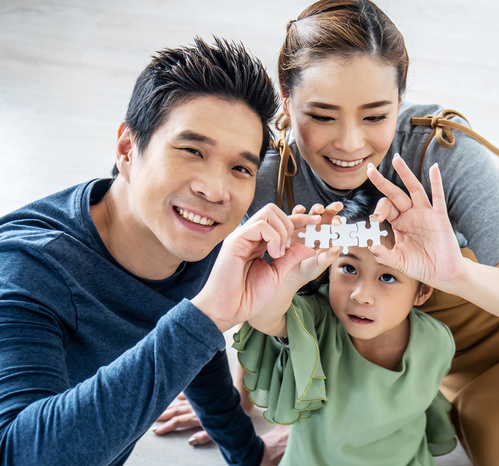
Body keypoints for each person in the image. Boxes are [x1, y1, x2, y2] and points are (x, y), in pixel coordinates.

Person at [161, 1, 499, 465]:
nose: (350, 143)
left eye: (375, 115)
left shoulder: (439, 149)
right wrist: (252, 401)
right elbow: (245, 292)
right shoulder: (263, 180)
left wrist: (452, 271)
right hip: (430, 341)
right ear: (285, 98)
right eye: (321, 115)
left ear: (401, 97)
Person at [0, 36, 320, 466]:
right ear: (128, 150)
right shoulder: (26, 268)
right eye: (192, 151)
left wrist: (248, 453)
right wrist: (206, 316)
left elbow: (187, 330)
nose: (214, 190)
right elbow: (20, 455)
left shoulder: (200, 237)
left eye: (240, 168)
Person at [234, 179, 458, 465]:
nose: (361, 295)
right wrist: (292, 274)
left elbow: (421, 410)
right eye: (349, 268)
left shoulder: (437, 341)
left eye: (387, 277)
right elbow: (264, 317)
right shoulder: (318, 318)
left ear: (422, 291)